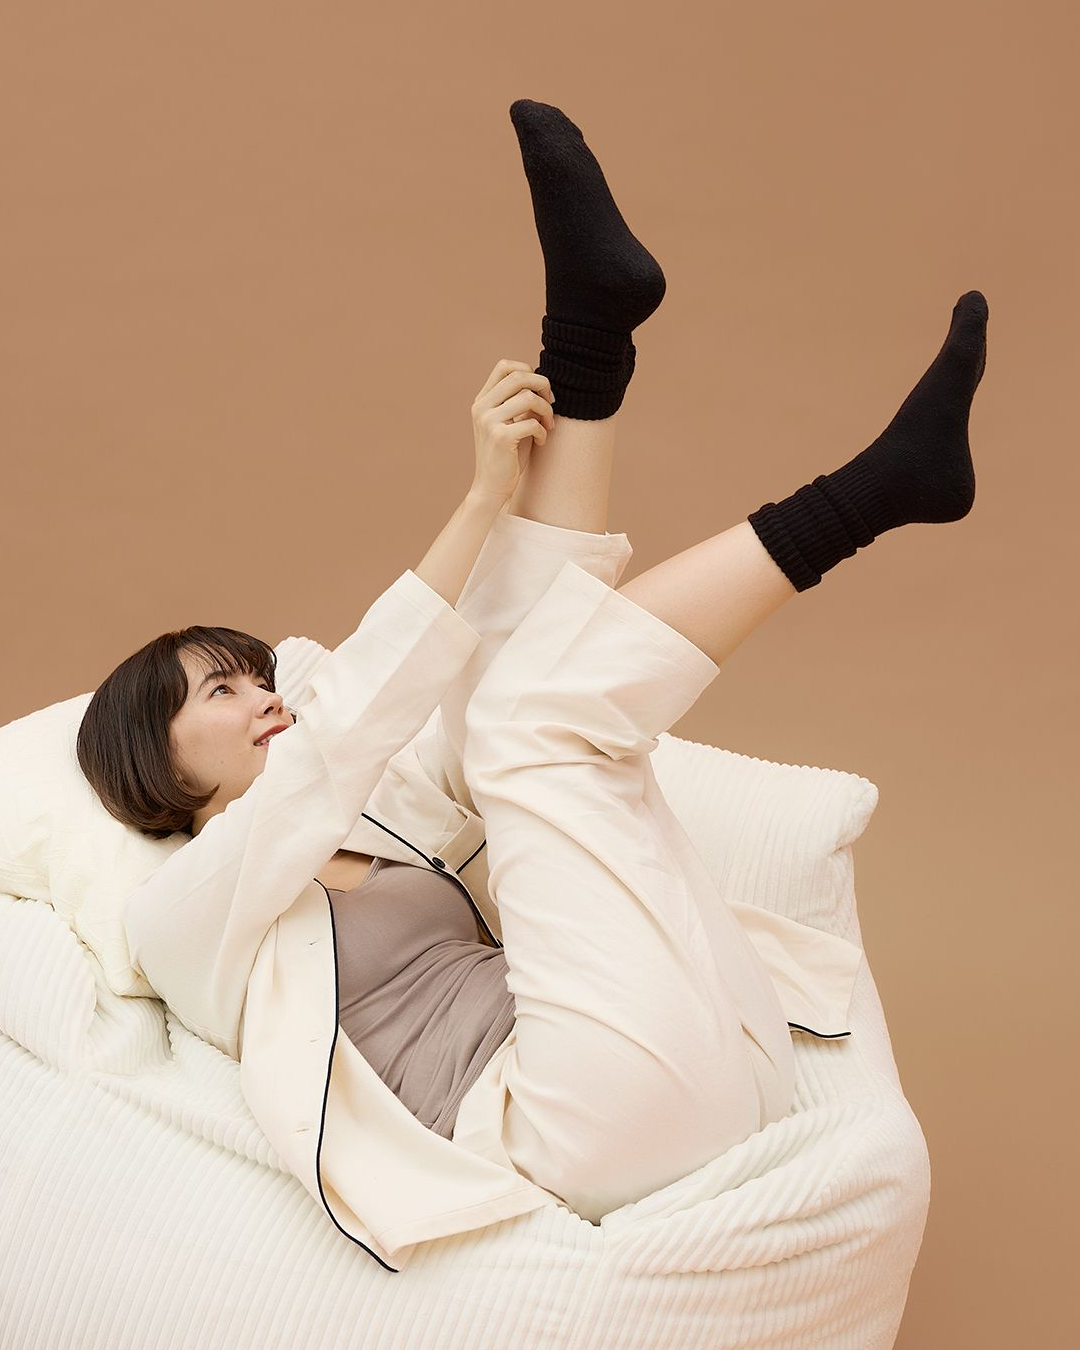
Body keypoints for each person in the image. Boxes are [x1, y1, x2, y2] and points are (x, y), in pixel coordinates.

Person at [78, 98, 987, 1240]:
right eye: (220, 691)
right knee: (524, 721)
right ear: (152, 765)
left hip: (706, 1045)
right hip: (574, 1125)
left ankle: (589, 339)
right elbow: (339, 736)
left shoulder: (383, 821)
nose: (266, 694)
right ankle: (868, 492)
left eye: (256, 675)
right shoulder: (178, 917)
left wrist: (515, 472)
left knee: (503, 700)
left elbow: (473, 679)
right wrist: (479, 498)